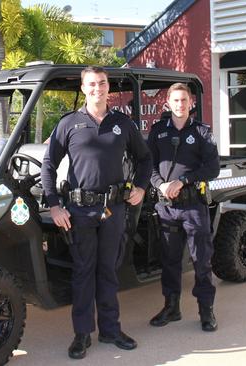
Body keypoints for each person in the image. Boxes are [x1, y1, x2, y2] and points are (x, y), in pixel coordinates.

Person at [41, 66, 152, 359]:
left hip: (114, 209)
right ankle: (81, 335)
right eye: (91, 84)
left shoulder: (122, 124)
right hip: (79, 211)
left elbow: (145, 158)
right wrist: (54, 204)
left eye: (102, 83)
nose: (97, 88)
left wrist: (141, 187)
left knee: (108, 271)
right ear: (84, 87)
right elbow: (48, 166)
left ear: (108, 87)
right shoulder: (69, 124)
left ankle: (111, 330)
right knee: (83, 272)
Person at [146, 83, 220, 331]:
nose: (180, 104)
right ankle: (172, 307)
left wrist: (183, 181)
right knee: (169, 260)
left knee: (202, 260)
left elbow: (212, 168)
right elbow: (149, 165)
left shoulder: (201, 132)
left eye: (184, 100)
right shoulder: (158, 131)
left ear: (191, 103)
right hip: (166, 206)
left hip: (192, 206)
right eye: (175, 100)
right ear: (167, 102)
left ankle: (206, 311)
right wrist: (160, 184)